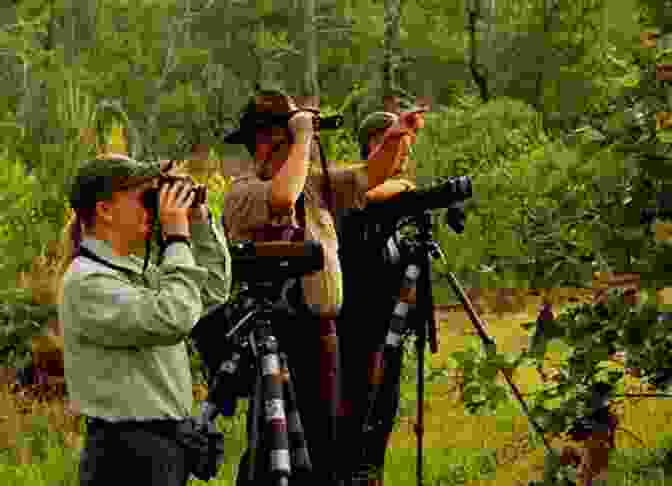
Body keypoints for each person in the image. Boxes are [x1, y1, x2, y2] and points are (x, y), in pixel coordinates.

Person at [221, 88, 423, 486]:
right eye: (296, 137)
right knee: (274, 454)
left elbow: (369, 177)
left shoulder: (314, 185)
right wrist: (298, 137)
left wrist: (395, 136)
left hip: (323, 335)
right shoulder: (242, 193)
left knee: (326, 452)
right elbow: (281, 198)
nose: (310, 146)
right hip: (279, 339)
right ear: (264, 143)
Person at [58, 153, 231, 486]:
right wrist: (177, 238)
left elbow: (209, 291)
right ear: (105, 210)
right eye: (143, 197)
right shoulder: (88, 282)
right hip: (125, 456)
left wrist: (196, 220)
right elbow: (175, 316)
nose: (151, 207)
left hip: (161, 448)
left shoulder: (137, 271)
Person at [338, 106, 426, 486]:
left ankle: (372, 473)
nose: (405, 152)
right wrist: (408, 189)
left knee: (384, 406)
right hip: (357, 326)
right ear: (376, 143)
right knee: (360, 407)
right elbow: (372, 194)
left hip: (387, 325)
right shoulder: (350, 188)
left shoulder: (390, 198)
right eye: (398, 142)